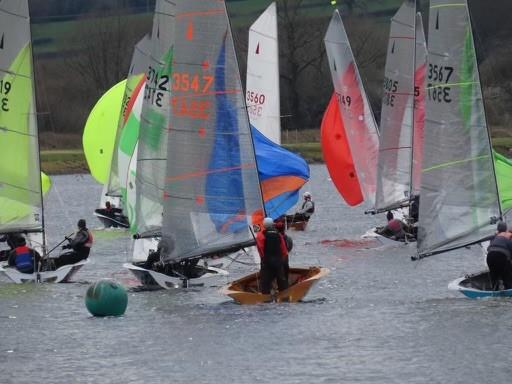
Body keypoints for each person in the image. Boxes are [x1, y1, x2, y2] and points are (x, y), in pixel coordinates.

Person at [256, 217, 289, 294]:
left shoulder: (261, 235)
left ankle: (265, 296)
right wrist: (283, 258)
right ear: (272, 225)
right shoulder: (278, 234)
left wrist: (263, 257)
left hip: (267, 262)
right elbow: (283, 249)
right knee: (281, 279)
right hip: (278, 262)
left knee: (265, 281)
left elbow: (260, 247)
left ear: (264, 226)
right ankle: (284, 293)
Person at [486, 221, 512, 290]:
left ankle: (494, 291)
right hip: (501, 256)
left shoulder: (494, 238)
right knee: (507, 277)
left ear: (498, 229)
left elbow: (489, 248)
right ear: (506, 229)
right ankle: (509, 291)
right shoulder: (508, 238)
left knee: (494, 277)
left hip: (489, 257)